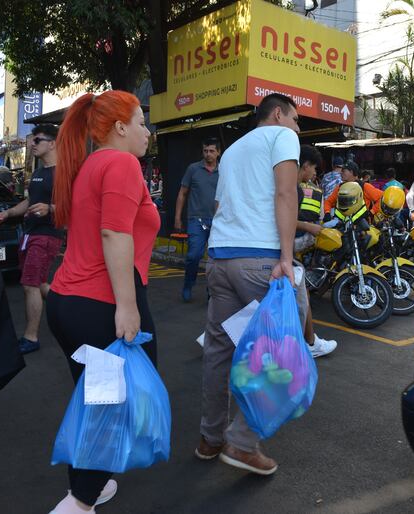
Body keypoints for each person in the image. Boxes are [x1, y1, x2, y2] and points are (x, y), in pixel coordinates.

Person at [46, 91, 158, 514]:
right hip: (99, 303)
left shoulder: (91, 164)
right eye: (141, 121)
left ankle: (89, 486)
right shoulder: (121, 162)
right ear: (121, 127)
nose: (147, 131)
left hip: (70, 302)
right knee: (118, 407)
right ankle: (79, 502)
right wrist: (127, 307)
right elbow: (115, 233)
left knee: (100, 402)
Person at [197, 93, 306, 475]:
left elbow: (219, 206)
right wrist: (286, 257)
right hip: (260, 261)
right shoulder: (282, 137)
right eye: (295, 119)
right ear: (278, 114)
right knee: (280, 352)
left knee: (218, 351)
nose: (298, 127)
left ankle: (210, 438)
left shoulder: (232, 151)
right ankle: (242, 443)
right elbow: (285, 192)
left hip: (221, 260)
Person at [0, 124, 64, 354]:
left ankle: (31, 338)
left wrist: (51, 208)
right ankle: (69, 308)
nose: (32, 143)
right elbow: (29, 202)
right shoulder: (39, 173)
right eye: (32, 139)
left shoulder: (64, 172)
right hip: (30, 234)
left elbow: (76, 206)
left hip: (47, 235)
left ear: (52, 143)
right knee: (39, 282)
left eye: (37, 140)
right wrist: (8, 213)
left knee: (30, 284)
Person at [295, 145, 337, 358]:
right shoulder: (292, 188)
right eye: (314, 169)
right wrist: (309, 227)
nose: (314, 174)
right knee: (300, 293)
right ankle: (310, 343)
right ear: (306, 165)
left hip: (280, 252)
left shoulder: (294, 187)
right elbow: (281, 220)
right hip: (279, 251)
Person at [174, 137, 220, 302]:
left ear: (218, 153)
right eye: (205, 151)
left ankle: (211, 291)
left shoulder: (223, 171)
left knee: (216, 259)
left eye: (212, 151)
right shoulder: (193, 169)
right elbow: (182, 193)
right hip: (196, 220)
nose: (208, 154)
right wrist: (177, 218)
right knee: (194, 255)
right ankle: (188, 283)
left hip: (217, 222)